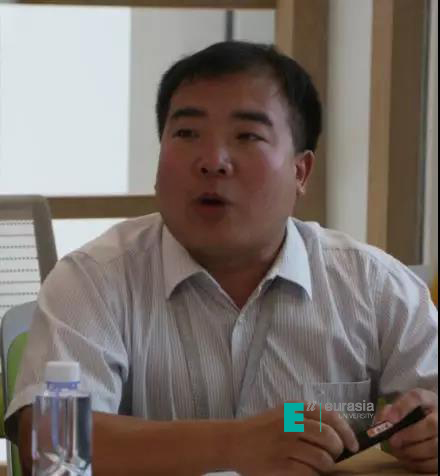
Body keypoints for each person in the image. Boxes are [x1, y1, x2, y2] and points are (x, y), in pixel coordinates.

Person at [5, 41, 438, 476]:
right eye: (186, 134)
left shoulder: (374, 284)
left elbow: (428, 403)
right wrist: (234, 444)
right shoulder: (93, 278)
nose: (212, 162)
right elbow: (52, 444)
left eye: (247, 136)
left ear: (300, 171)